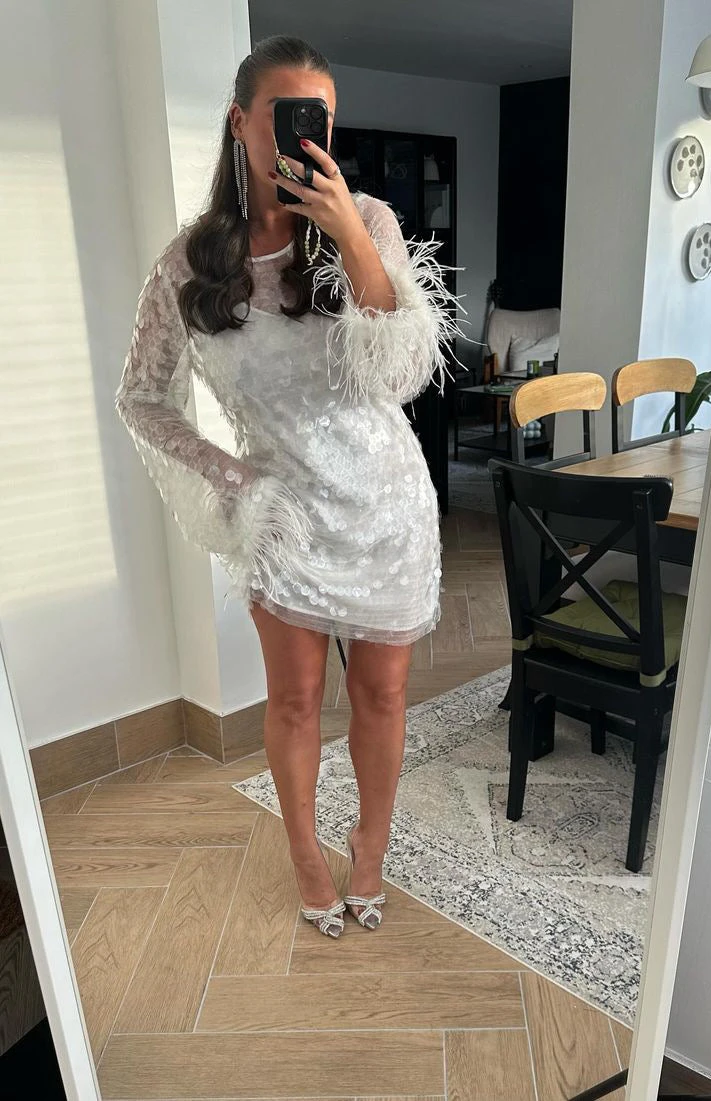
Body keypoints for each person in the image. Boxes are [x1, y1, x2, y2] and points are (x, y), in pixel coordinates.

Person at [115, 35, 463, 939]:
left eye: (323, 119)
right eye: (287, 114)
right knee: (296, 700)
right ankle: (306, 851)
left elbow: (403, 374)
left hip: (385, 509)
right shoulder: (188, 265)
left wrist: (349, 237)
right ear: (241, 122)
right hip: (284, 523)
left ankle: (370, 847)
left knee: (381, 697)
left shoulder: (369, 221)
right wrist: (233, 482)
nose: (308, 134)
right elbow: (141, 397)